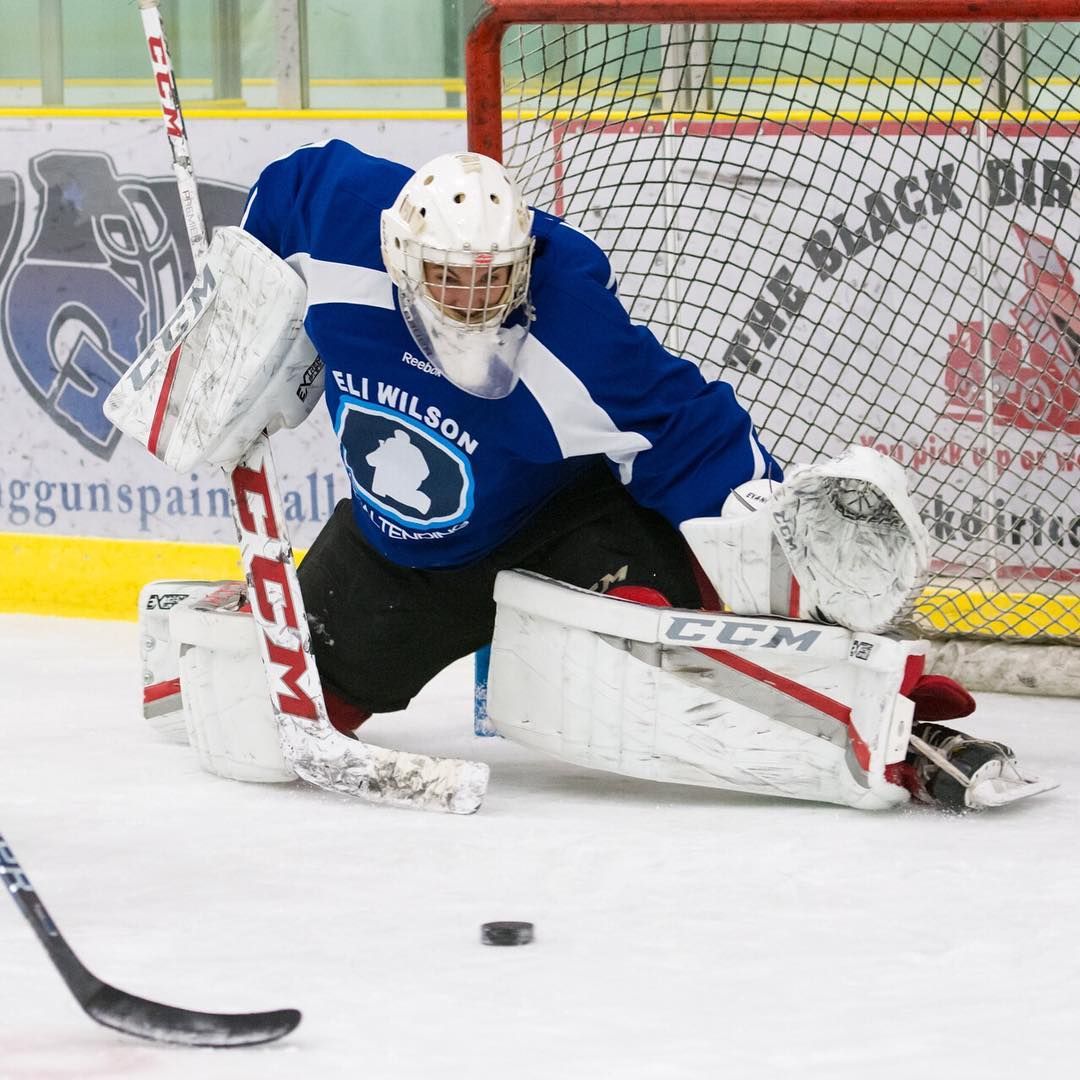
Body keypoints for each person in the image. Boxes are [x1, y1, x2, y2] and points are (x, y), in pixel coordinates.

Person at [107, 140, 1054, 812]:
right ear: (400, 256)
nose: (479, 302)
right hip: (398, 554)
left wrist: (785, 578)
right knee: (258, 728)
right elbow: (282, 198)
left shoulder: (573, 333)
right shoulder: (337, 220)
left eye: (497, 279)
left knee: (648, 658)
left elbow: (696, 441)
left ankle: (893, 728)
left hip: (564, 529)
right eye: (452, 283)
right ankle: (239, 615)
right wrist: (238, 338)